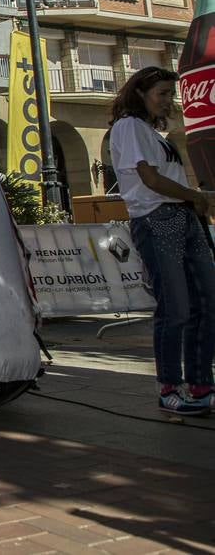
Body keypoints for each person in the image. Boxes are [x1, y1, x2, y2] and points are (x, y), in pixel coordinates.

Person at [108, 66, 215, 415]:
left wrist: (192, 198)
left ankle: (200, 384)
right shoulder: (129, 127)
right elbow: (150, 179)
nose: (169, 101)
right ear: (140, 93)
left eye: (171, 93)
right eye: (163, 94)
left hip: (183, 215)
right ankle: (170, 386)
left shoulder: (153, 134)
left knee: (207, 301)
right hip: (157, 218)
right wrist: (193, 195)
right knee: (176, 307)